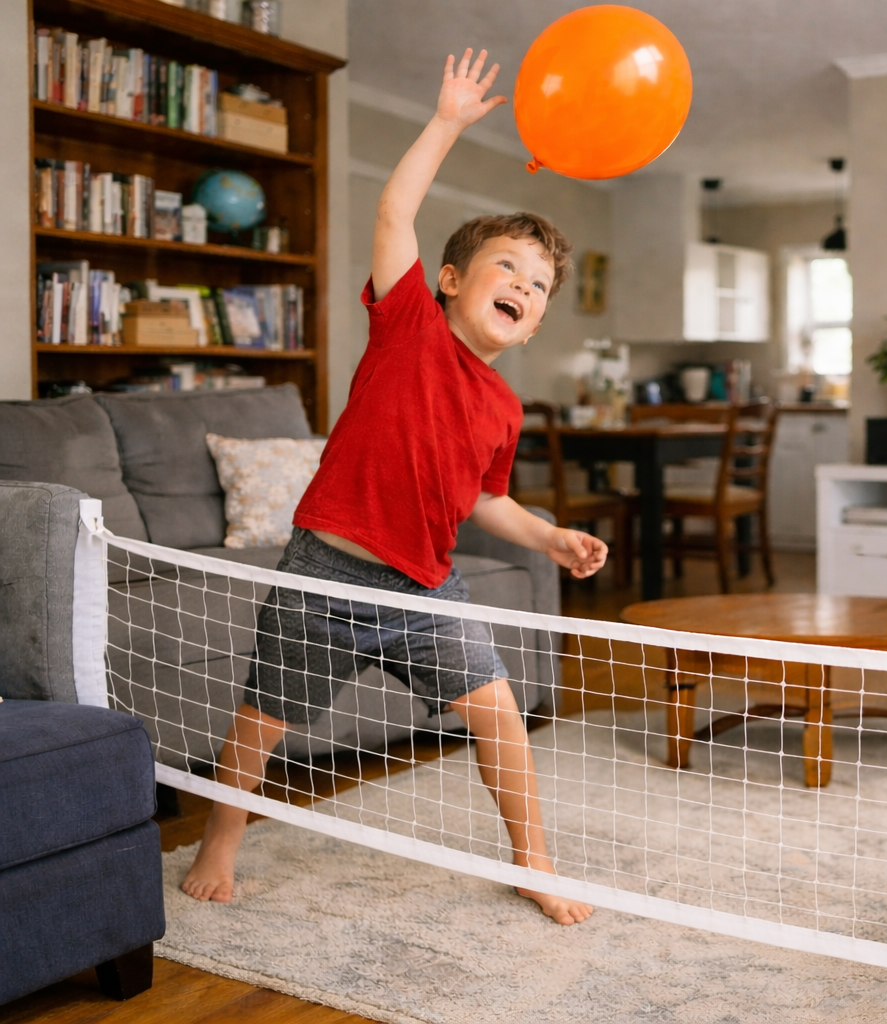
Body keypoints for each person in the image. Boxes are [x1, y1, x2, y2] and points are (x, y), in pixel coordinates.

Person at [181, 50, 603, 926]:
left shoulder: (504, 404)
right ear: (449, 281)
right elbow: (395, 208)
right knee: (263, 721)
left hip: (424, 587)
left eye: (539, 285)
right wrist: (446, 121)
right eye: (506, 269)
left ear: (535, 324)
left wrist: (550, 537)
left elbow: (486, 501)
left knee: (499, 712)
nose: (523, 287)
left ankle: (534, 858)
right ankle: (220, 838)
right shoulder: (406, 322)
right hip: (324, 574)